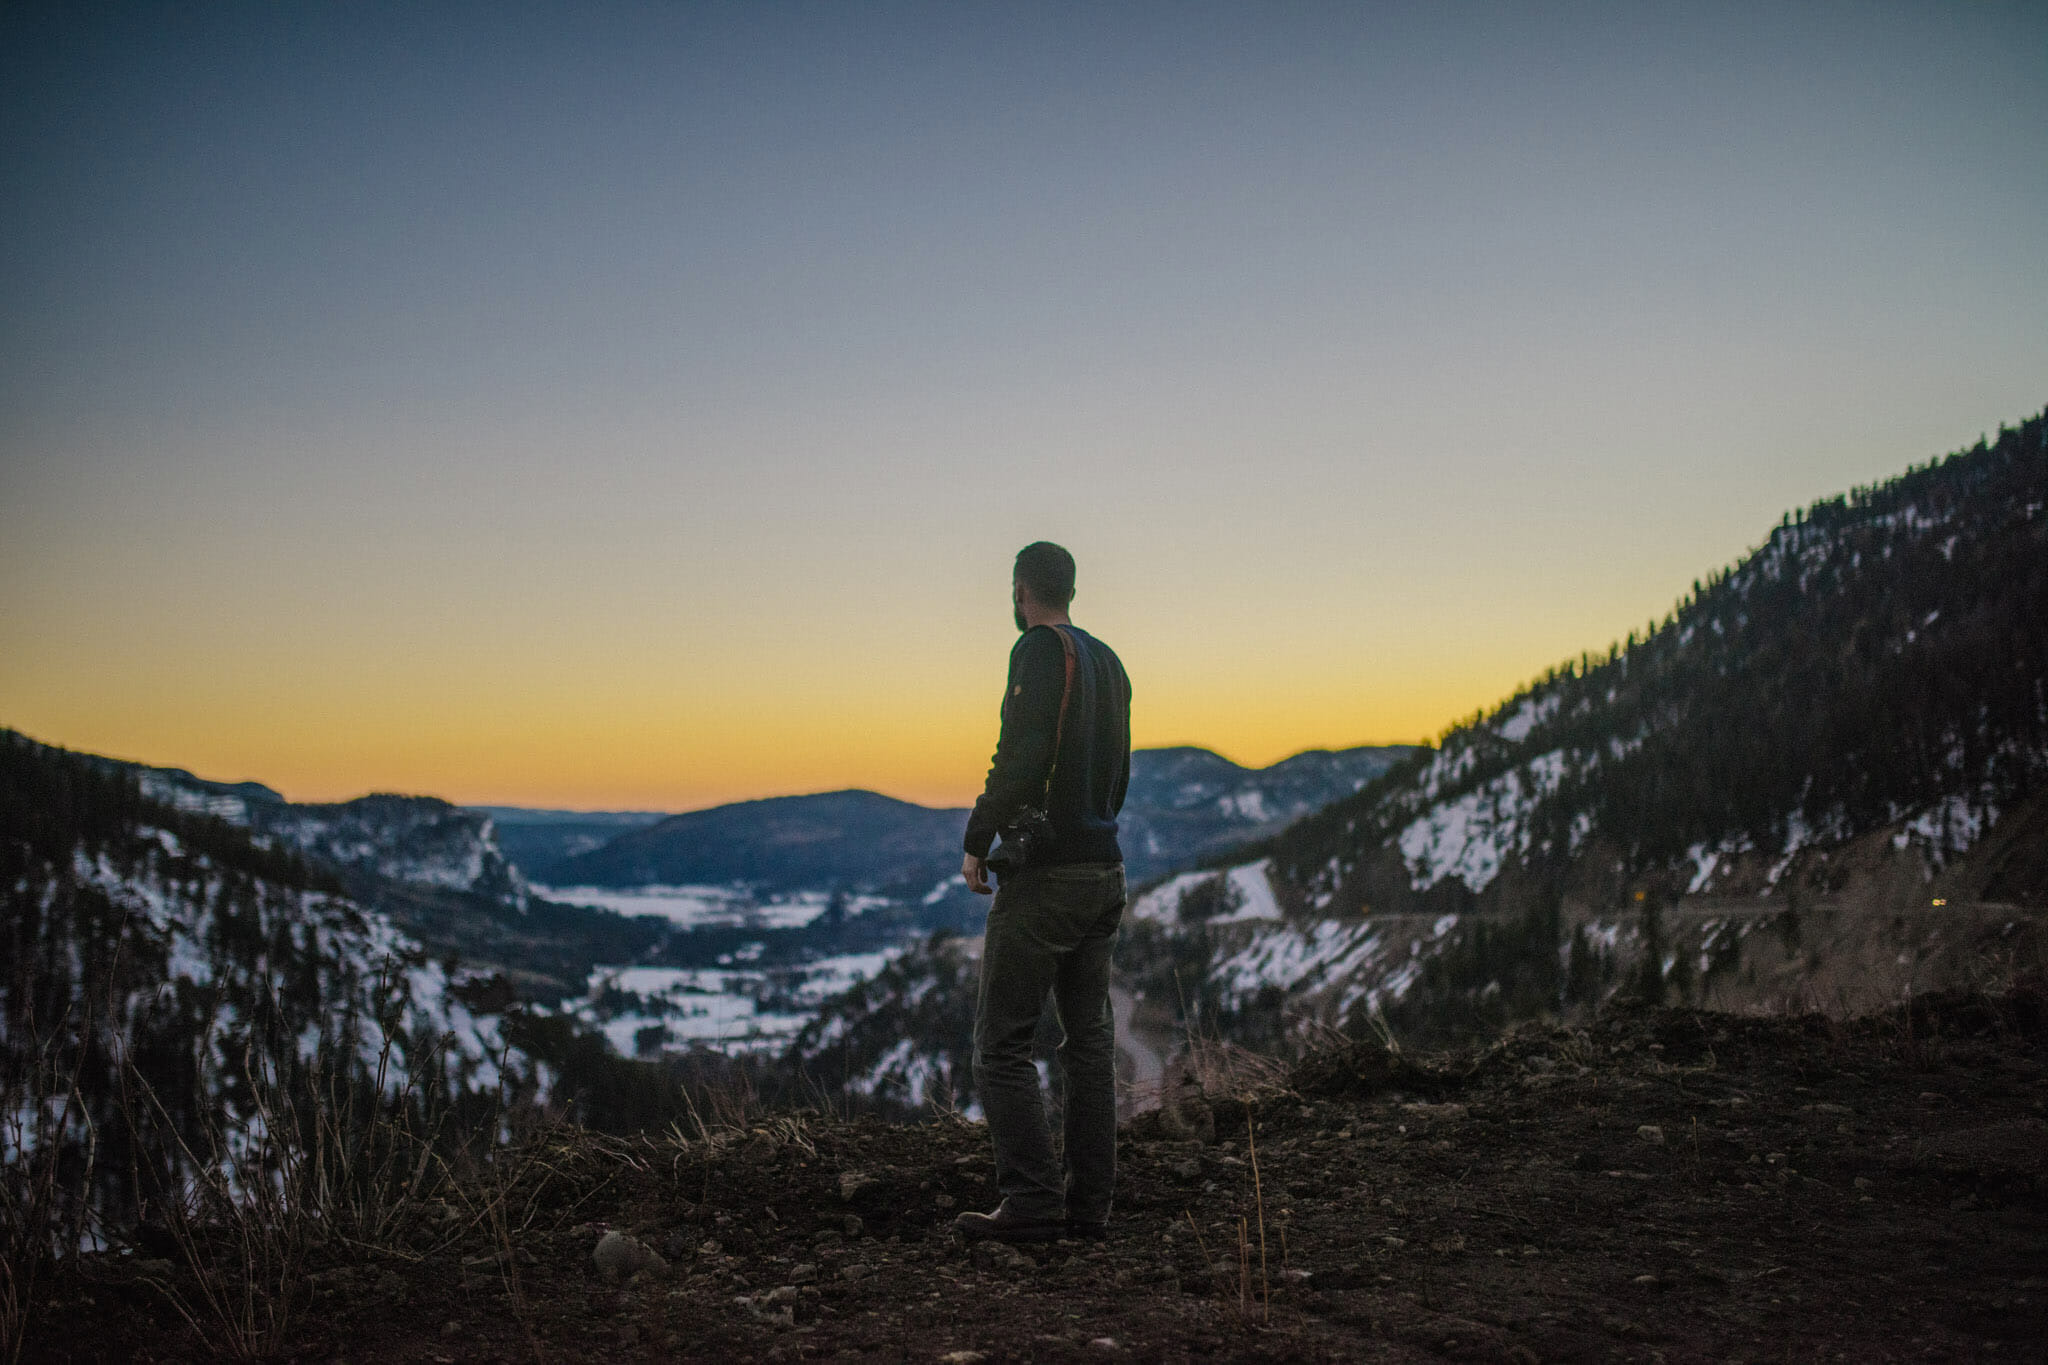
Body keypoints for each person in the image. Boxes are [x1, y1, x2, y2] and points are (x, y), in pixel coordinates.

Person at [953, 541, 1132, 1245]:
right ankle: (1090, 1206)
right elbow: (1118, 767)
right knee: (1087, 1041)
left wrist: (979, 836)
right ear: (1074, 588)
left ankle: (1030, 1199)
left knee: (1002, 1042)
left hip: (1049, 876)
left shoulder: (1034, 649)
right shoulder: (1109, 661)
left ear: (1021, 588)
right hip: (1104, 869)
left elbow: (1019, 755)